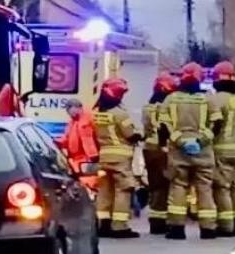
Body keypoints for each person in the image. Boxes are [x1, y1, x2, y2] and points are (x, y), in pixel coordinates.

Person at [164, 62, 222, 239]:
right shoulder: (208, 99)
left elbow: (164, 126)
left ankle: (176, 228)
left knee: (179, 187)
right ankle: (208, 228)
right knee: (204, 188)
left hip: (178, 153)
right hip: (203, 153)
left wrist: (180, 142)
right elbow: (217, 124)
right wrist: (201, 140)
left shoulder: (170, 99)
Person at [92, 78, 141, 238]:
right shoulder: (120, 114)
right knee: (123, 190)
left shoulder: (98, 112)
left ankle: (103, 224)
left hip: (104, 157)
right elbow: (130, 134)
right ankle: (119, 226)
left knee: (104, 192)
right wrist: (140, 135)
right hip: (121, 159)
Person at [211, 60, 235, 239]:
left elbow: (215, 126)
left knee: (222, 188)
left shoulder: (217, 99)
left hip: (221, 150)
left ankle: (226, 225)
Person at [141, 74, 177, 236]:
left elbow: (147, 128)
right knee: (169, 184)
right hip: (165, 148)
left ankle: (156, 222)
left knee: (155, 186)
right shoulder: (168, 106)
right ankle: (167, 220)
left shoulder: (147, 107)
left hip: (149, 149)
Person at [59, 99, 100, 192]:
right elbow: (66, 138)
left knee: (89, 182)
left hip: (88, 157)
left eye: (69, 110)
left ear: (78, 108)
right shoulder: (71, 123)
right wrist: (58, 142)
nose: (69, 113)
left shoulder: (90, 118)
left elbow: (99, 135)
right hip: (76, 159)